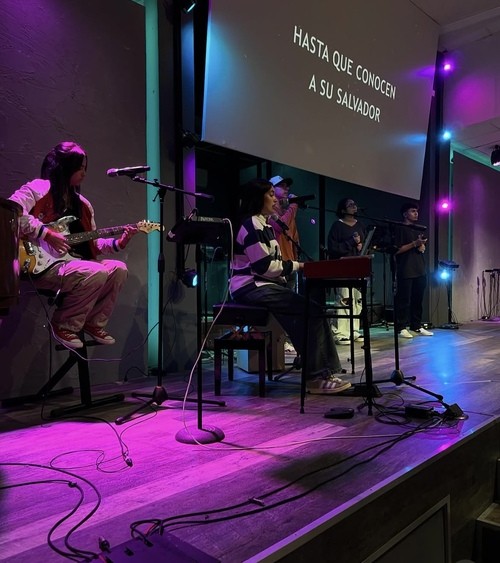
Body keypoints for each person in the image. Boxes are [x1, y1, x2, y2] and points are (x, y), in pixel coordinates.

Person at [9, 141, 138, 349]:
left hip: (69, 263)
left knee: (118, 269)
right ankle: (63, 324)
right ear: (65, 167)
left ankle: (93, 323)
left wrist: (119, 242)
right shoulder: (38, 188)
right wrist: (46, 234)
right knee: (95, 271)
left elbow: (92, 244)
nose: (84, 173)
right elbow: (12, 211)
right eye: (80, 168)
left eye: (85, 168)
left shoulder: (83, 205)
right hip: (39, 262)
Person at [229, 178, 350, 394]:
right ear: (258, 199)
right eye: (270, 195)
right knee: (310, 311)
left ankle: (322, 371)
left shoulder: (264, 224)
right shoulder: (251, 224)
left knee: (312, 310)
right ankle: (316, 377)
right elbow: (265, 266)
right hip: (250, 287)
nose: (275, 199)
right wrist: (297, 265)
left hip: (262, 285)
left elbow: (271, 265)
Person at [327, 198, 366, 345]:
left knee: (357, 299)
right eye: (350, 205)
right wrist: (351, 242)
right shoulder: (337, 226)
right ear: (343, 210)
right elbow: (333, 249)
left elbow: (364, 246)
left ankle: (353, 330)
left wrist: (361, 247)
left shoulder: (360, 225)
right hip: (343, 267)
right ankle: (340, 332)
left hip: (357, 267)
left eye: (355, 204)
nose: (354, 206)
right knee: (344, 299)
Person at [393, 201, 433, 338]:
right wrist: (414, 244)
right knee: (404, 300)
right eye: (412, 211)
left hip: (419, 268)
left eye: (416, 211)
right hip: (406, 269)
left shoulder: (418, 229)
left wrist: (421, 246)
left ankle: (416, 325)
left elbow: (420, 247)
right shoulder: (400, 228)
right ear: (405, 214)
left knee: (418, 299)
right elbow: (397, 250)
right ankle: (401, 327)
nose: (416, 213)